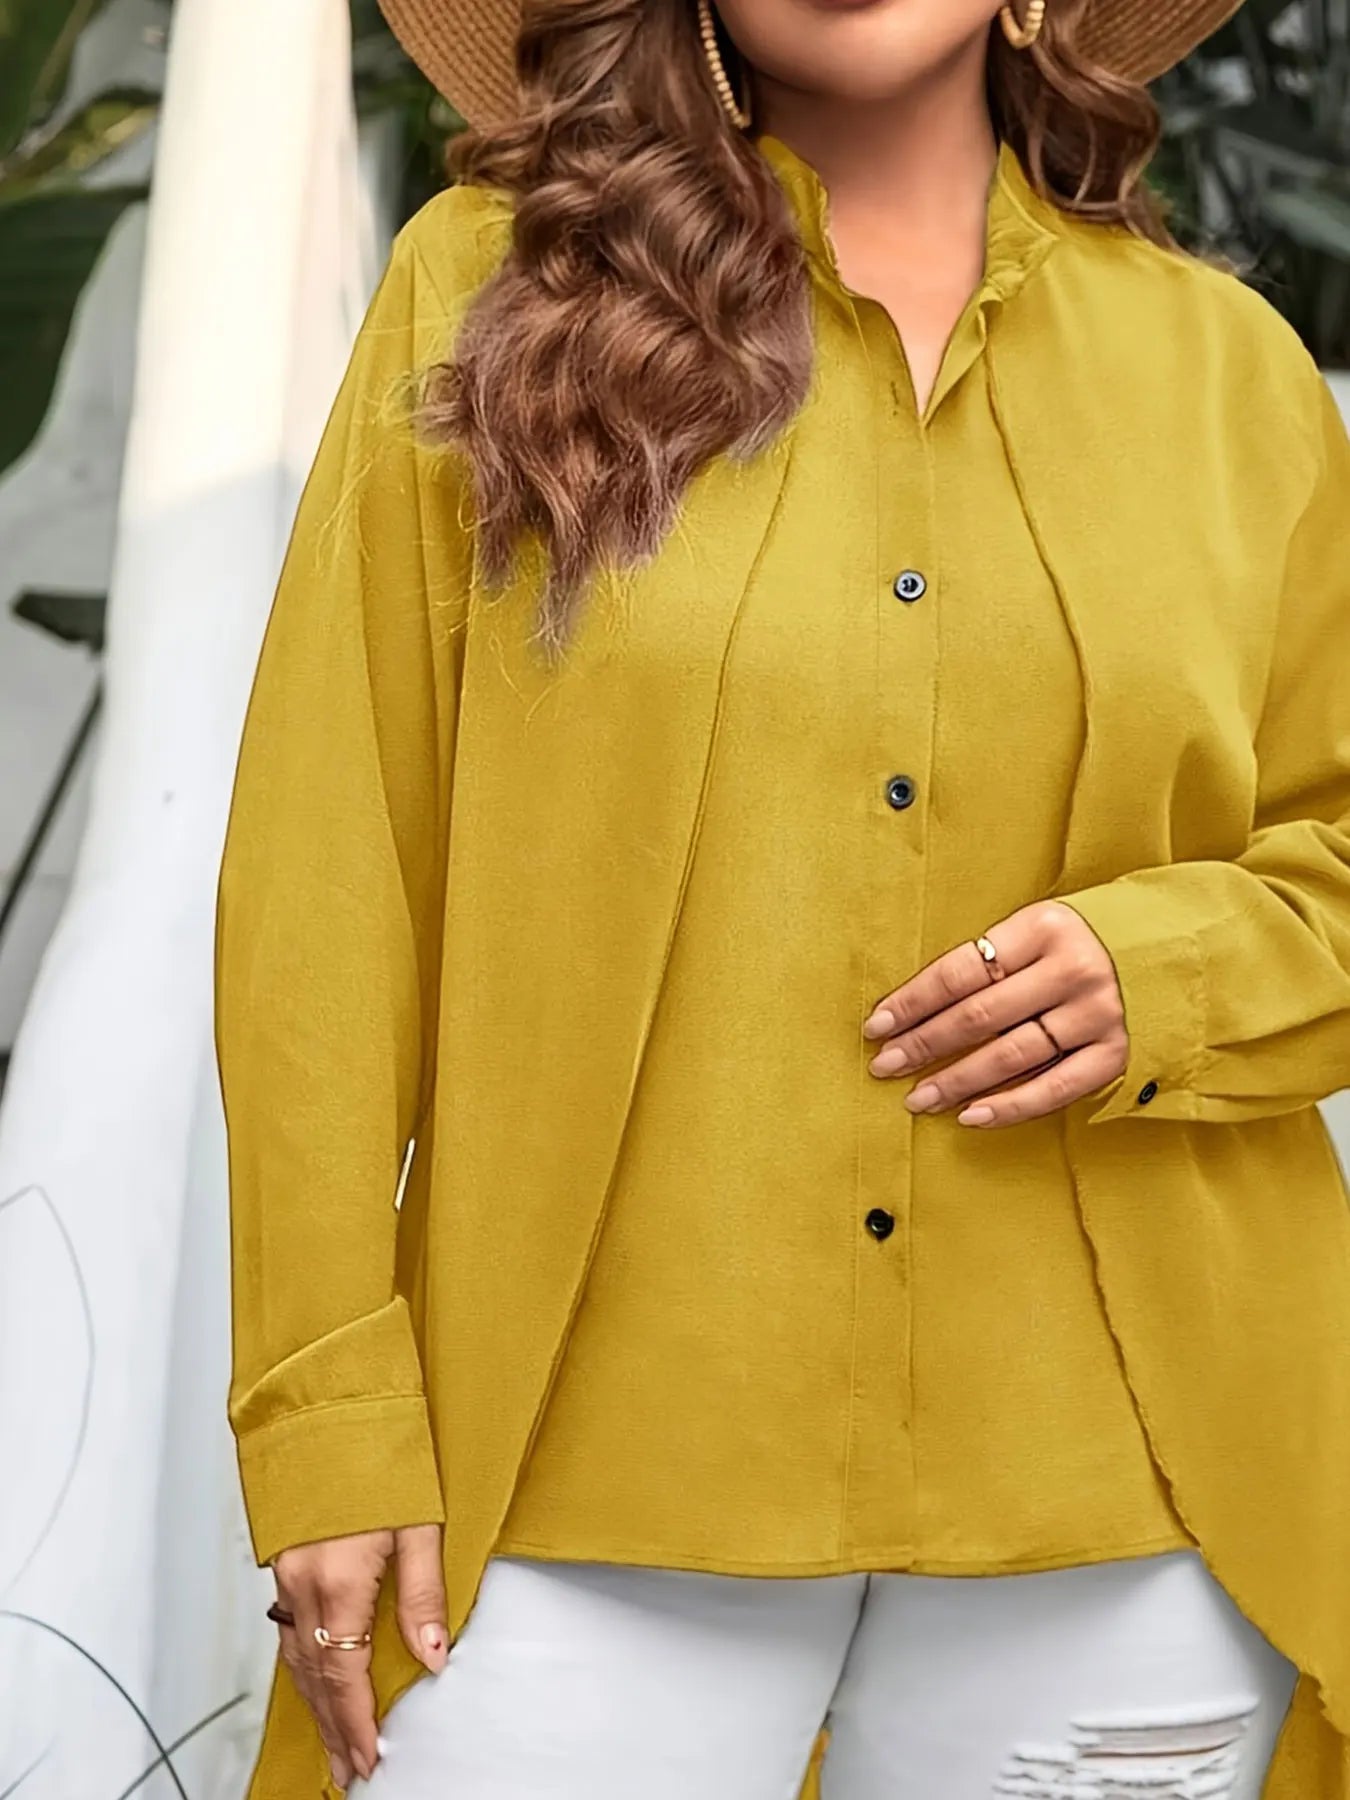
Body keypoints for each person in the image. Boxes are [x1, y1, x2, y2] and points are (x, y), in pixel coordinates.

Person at [213, 0, 1350, 1794]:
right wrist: (326, 1418)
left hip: (1130, 1494)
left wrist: (1173, 974)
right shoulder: (477, 295)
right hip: (573, 1487)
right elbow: (325, 898)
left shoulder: (1229, 378)